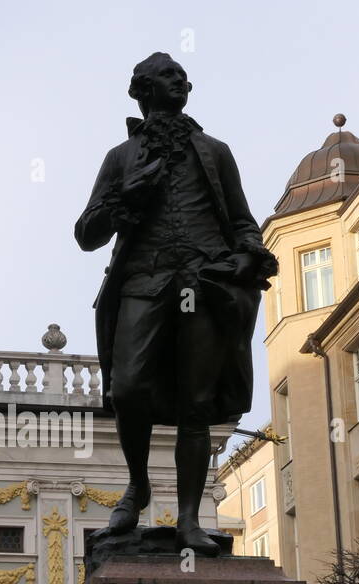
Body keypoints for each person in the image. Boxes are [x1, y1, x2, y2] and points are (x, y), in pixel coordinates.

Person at [75, 52, 278, 556]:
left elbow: (241, 220)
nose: (182, 81)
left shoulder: (215, 151)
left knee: (196, 401)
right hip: (143, 280)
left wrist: (249, 254)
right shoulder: (120, 158)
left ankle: (189, 519)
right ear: (141, 91)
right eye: (168, 76)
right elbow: (86, 234)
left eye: (184, 75)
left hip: (202, 283)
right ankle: (137, 484)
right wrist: (127, 197)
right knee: (126, 386)